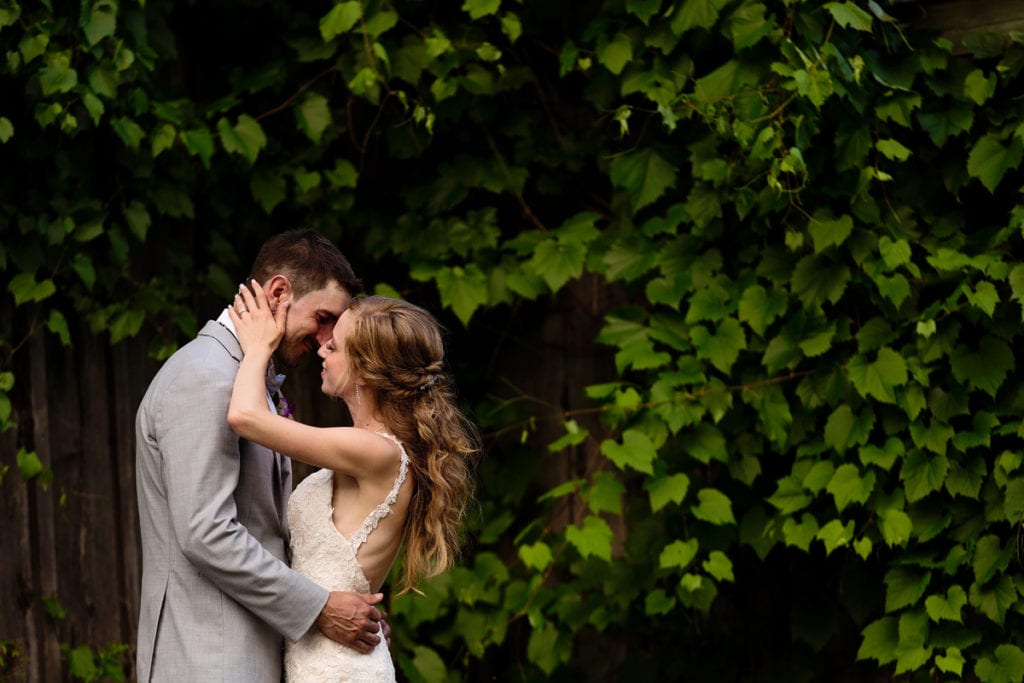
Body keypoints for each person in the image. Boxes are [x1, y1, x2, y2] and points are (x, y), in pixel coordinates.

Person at [135, 230, 389, 682]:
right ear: (278, 292)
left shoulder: (243, 377)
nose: (327, 339)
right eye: (324, 317)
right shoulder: (207, 378)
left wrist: (343, 602)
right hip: (210, 657)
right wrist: (319, 608)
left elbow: (262, 529)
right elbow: (205, 531)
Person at [226, 282, 477, 681]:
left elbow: (244, 416)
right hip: (323, 655)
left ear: (365, 370)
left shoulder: (375, 452)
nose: (322, 348)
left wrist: (259, 346)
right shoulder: (367, 451)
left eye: (336, 346)